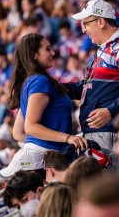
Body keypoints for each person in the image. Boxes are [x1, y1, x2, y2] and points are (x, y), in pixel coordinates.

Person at [66, 0, 119, 174]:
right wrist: (58, 88)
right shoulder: (105, 48)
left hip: (110, 133)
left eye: (86, 23)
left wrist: (110, 111)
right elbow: (87, 87)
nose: (83, 29)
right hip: (99, 134)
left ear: (101, 22)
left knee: (108, 193)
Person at [5, 33, 87, 177]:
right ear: (34, 55)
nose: (53, 53)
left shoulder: (31, 82)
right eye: (47, 49)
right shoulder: (39, 82)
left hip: (38, 157)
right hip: (40, 159)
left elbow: (18, 133)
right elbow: (30, 127)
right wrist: (67, 138)